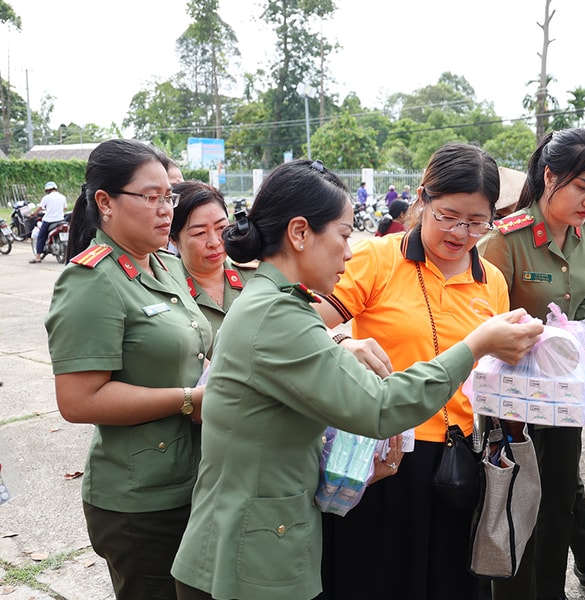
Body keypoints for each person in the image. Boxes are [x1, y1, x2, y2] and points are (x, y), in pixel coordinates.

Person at [169, 158, 543, 600]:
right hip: (253, 552)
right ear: (300, 233)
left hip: (269, 534)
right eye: (344, 235)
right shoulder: (279, 314)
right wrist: (475, 345)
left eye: (477, 222)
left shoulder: (273, 302)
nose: (349, 251)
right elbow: (380, 406)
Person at [316, 143, 517, 600]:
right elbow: (305, 323)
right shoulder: (379, 259)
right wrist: (343, 340)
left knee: (446, 582)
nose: (460, 232)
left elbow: (490, 374)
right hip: (382, 454)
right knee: (375, 579)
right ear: (422, 199)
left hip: (455, 457)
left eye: (476, 221)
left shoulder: (492, 282)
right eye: (448, 215)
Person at [44, 139, 212, 600]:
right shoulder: (91, 281)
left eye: (169, 197)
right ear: (106, 202)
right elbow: (78, 401)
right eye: (151, 197)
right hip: (140, 501)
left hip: (191, 479)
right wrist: (189, 400)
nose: (166, 211)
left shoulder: (164, 265)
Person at [478, 128, 585, 599]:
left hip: (564, 398)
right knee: (515, 503)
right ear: (550, 176)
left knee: (559, 501)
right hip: (514, 402)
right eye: (582, 187)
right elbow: (480, 322)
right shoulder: (506, 241)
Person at [169, 180, 254, 348]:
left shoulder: (254, 278)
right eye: (199, 233)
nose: (214, 242)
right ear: (174, 239)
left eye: (221, 227)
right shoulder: (168, 290)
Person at [30, 181, 68, 263]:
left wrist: (33, 214)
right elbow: (65, 208)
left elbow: (40, 208)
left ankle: (38, 257)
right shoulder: (62, 197)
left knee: (41, 237)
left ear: (47, 190)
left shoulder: (46, 198)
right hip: (61, 220)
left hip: (49, 221)